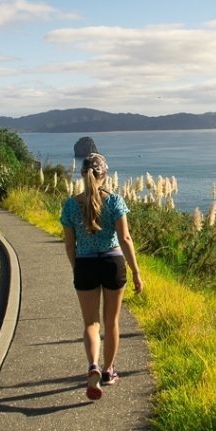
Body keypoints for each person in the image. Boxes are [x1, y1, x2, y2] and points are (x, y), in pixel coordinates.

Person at [60, 153, 143, 400]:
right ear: (104, 174)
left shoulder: (70, 205)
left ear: (83, 175)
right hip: (113, 262)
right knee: (112, 321)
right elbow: (125, 239)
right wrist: (137, 272)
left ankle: (93, 365)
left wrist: (77, 266)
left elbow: (69, 244)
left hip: (85, 264)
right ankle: (108, 371)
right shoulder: (115, 201)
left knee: (91, 323)